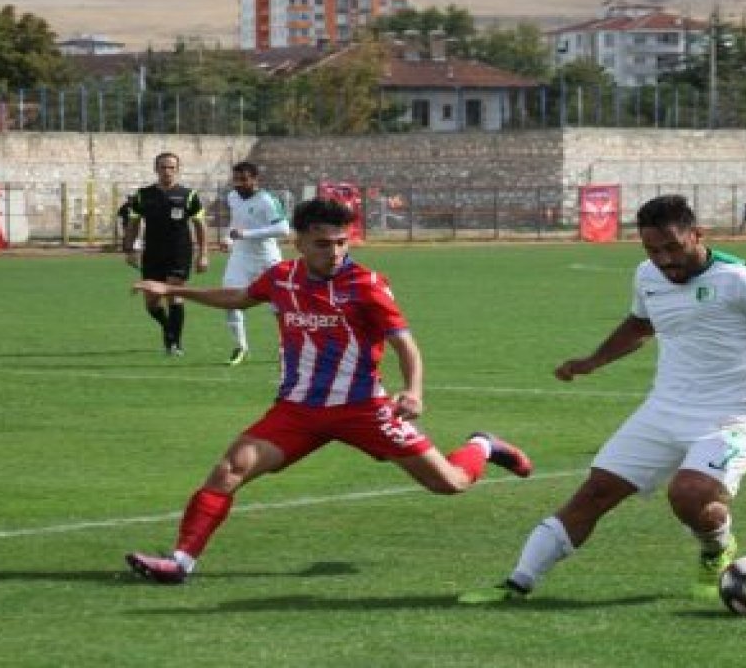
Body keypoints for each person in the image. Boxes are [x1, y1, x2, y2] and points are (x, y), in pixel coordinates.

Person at [124, 198, 534, 585]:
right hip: (297, 411)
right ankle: (180, 562)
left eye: (341, 242)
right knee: (228, 470)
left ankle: (482, 445)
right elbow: (240, 297)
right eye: (322, 243)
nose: (334, 251)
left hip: (364, 410)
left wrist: (413, 390)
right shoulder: (282, 277)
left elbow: (404, 344)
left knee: (450, 483)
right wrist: (175, 291)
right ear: (297, 241)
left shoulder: (367, 285)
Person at [459, 194, 746, 605]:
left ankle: (716, 548)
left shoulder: (741, 279)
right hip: (663, 410)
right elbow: (640, 325)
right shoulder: (648, 275)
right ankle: (517, 584)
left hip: (733, 417)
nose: (664, 260)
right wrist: (593, 361)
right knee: (594, 494)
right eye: (653, 250)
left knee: (688, 494)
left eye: (673, 248)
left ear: (698, 235)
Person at [122, 152, 209, 356]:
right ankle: (168, 328)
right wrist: (129, 249)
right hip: (152, 253)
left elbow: (200, 226)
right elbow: (134, 224)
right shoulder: (143, 195)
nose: (167, 171)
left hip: (179, 251)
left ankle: (174, 343)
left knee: (173, 294)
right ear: (156, 169)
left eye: (171, 167)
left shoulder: (189, 195)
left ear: (178, 170)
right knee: (151, 301)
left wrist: (203, 254)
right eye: (163, 167)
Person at [221, 161, 290, 366]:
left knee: (279, 306)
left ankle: (286, 346)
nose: (239, 183)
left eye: (244, 179)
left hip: (266, 258)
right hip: (240, 257)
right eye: (236, 179)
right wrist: (229, 239)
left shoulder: (267, 200)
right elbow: (235, 224)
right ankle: (240, 347)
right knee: (230, 300)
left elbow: (283, 229)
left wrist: (246, 234)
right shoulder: (232, 197)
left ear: (254, 180)